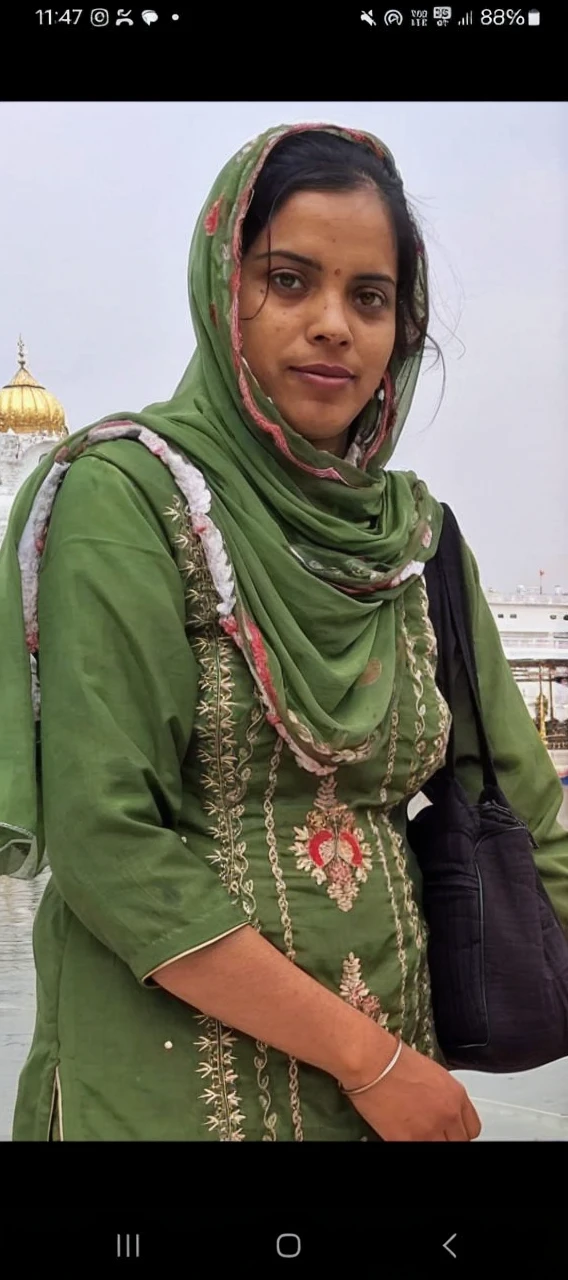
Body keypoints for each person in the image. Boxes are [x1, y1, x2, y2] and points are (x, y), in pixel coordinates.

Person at [1, 123, 567, 1142]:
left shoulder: (414, 540)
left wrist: (394, 1069)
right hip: (169, 1094)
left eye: (369, 297)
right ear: (224, 294)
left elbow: (527, 807)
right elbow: (105, 838)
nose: (333, 326)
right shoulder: (127, 500)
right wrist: (371, 1058)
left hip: (392, 1093)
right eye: (289, 280)